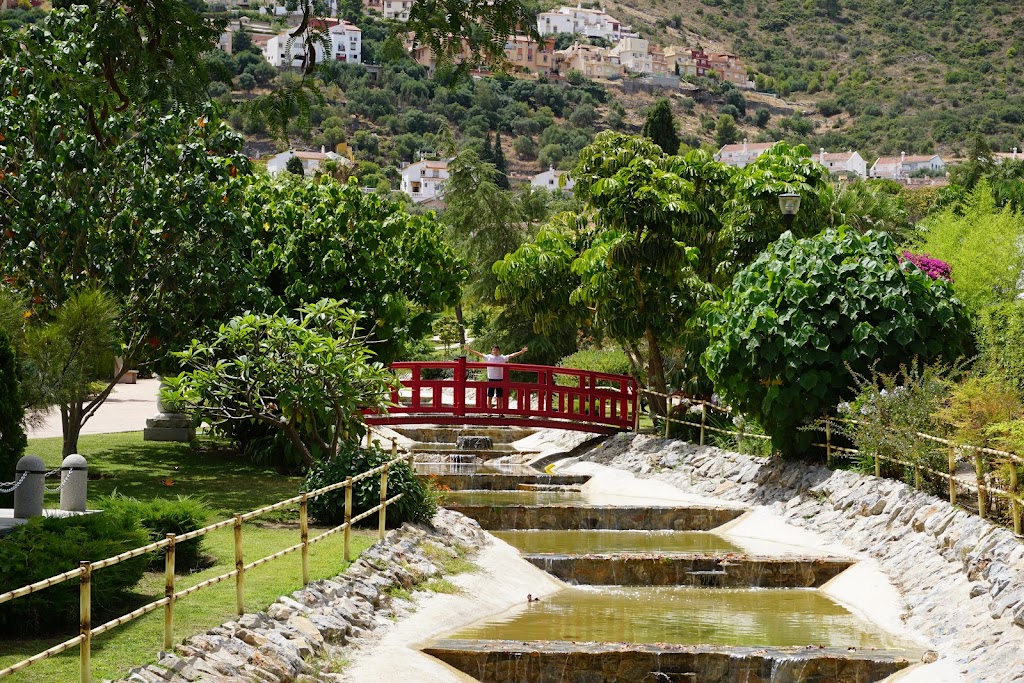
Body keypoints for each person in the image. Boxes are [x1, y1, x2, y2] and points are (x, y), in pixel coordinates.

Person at [465, 343, 528, 410]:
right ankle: (489, 410)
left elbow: (512, 355)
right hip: (491, 379)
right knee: (490, 395)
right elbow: (479, 354)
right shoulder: (488, 357)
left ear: (499, 351)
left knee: (500, 396)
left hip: (499, 379)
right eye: (493, 350)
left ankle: (500, 410)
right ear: (491, 351)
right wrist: (470, 350)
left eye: (496, 350)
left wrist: (521, 352)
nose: (495, 351)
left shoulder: (502, 358)